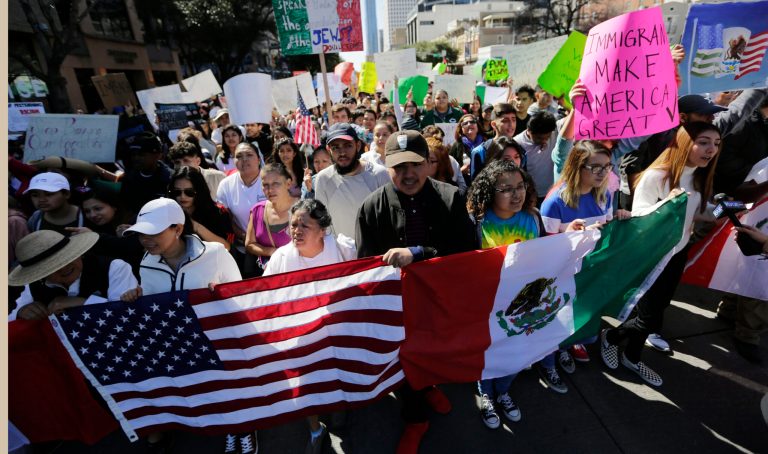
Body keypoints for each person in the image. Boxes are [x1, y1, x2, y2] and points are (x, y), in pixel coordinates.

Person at [356, 130, 475, 454]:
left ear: (428, 164)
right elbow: (365, 267)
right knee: (404, 359)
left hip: (438, 301)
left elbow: (467, 252)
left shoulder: (450, 199)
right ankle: (415, 418)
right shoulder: (371, 208)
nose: (408, 174)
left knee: (433, 352)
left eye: (414, 164)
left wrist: (420, 252)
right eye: (399, 166)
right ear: (386, 166)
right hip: (397, 307)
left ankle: (429, 385)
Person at [119, 197, 245, 452]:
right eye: (141, 234)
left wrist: (221, 295)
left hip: (219, 342)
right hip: (180, 345)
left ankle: (242, 427)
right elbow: (155, 306)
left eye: (153, 233)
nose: (145, 240)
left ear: (177, 229)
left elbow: (239, 297)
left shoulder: (216, 253)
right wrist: (137, 297)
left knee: (231, 390)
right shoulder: (146, 262)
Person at [601, 122, 721, 387]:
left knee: (655, 313)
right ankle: (611, 338)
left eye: (716, 143)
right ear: (682, 142)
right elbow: (641, 221)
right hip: (654, 256)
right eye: (703, 142)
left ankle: (631, 356)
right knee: (647, 316)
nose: (711, 149)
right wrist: (669, 205)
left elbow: (698, 213)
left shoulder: (700, 175)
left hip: (678, 253)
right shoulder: (657, 176)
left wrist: (724, 210)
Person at [261, 199, 356, 454]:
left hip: (335, 329)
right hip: (299, 333)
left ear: (322, 229)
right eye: (293, 225)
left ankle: (338, 406)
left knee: (336, 370)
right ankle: (315, 429)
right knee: (304, 382)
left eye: (305, 225)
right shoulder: (282, 257)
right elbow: (262, 293)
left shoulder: (343, 249)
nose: (296, 231)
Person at [465, 159, 541, 427]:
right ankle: (486, 393)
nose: (516, 194)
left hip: (522, 303)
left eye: (520, 186)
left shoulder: (532, 218)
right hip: (487, 305)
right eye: (506, 189)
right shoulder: (476, 223)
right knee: (490, 351)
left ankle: (504, 390)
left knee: (516, 352)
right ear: (489, 192)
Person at [9, 230, 137, 321]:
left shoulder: (114, 267)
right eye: (52, 267)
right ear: (38, 274)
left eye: (67, 258)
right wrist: (21, 313)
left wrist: (83, 302)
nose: (64, 268)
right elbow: (9, 319)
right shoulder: (32, 284)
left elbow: (126, 315)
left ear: (79, 253)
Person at [315, 123, 390, 239]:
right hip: (341, 255)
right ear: (328, 150)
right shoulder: (323, 179)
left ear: (358, 145)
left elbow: (389, 221)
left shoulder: (379, 175)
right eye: (335, 148)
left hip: (374, 254)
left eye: (348, 145)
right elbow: (323, 226)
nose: (342, 152)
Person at [217, 142, 268, 277]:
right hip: (242, 249)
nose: (244, 160)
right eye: (239, 156)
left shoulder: (270, 179)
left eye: (249, 155)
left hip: (272, 246)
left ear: (258, 159)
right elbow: (227, 218)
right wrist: (247, 238)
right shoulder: (226, 185)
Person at [245, 163, 298, 272]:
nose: (270, 190)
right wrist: (271, 251)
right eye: (265, 185)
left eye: (276, 184)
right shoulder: (257, 210)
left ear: (288, 183)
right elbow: (250, 244)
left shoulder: (303, 209)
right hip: (271, 276)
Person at [168, 166, 234, 250]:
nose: (182, 196)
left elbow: (226, 247)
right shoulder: (167, 212)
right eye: (177, 192)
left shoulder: (218, 213)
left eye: (189, 192)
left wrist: (195, 226)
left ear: (199, 191)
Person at [120, 132, 172, 215]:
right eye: (133, 154)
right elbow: (126, 207)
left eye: (141, 154)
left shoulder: (170, 178)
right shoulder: (129, 178)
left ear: (158, 155)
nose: (136, 158)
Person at [514, 111, 558, 203]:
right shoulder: (517, 144)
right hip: (531, 197)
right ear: (529, 131)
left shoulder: (555, 132)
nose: (544, 141)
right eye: (539, 138)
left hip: (553, 193)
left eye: (547, 137)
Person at [470, 103, 518, 180]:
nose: (511, 124)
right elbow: (475, 184)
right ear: (494, 124)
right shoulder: (479, 152)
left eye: (514, 119)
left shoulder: (520, 150)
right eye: (505, 120)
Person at [449, 113, 484, 180]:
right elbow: (449, 170)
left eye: (472, 122)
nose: (469, 124)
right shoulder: (457, 145)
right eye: (465, 123)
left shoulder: (486, 142)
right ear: (461, 129)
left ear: (477, 126)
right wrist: (460, 171)